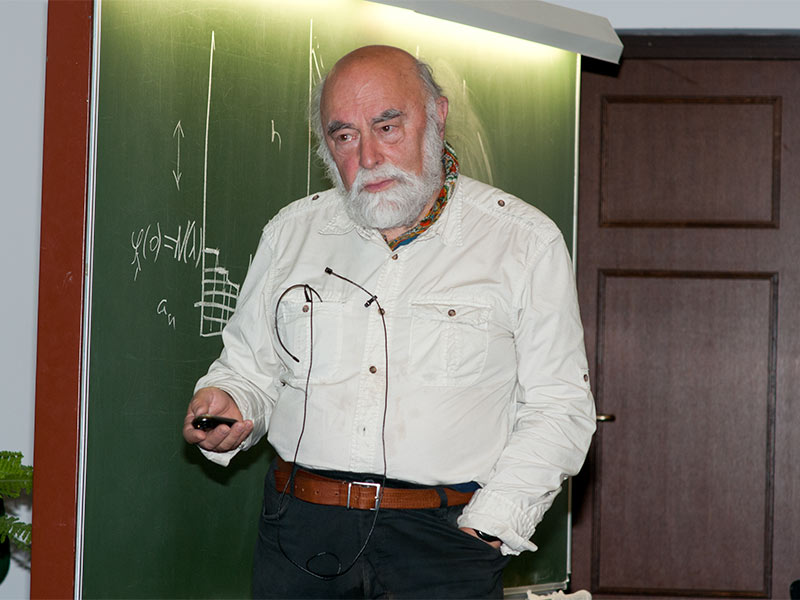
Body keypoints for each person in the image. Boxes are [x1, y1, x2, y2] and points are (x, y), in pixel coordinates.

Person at [183, 45, 595, 599]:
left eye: (387, 127)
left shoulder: (523, 242)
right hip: (300, 531)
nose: (369, 156)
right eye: (344, 136)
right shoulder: (291, 233)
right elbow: (249, 370)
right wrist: (231, 401)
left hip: (446, 542)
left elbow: (559, 406)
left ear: (437, 116)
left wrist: (491, 526)